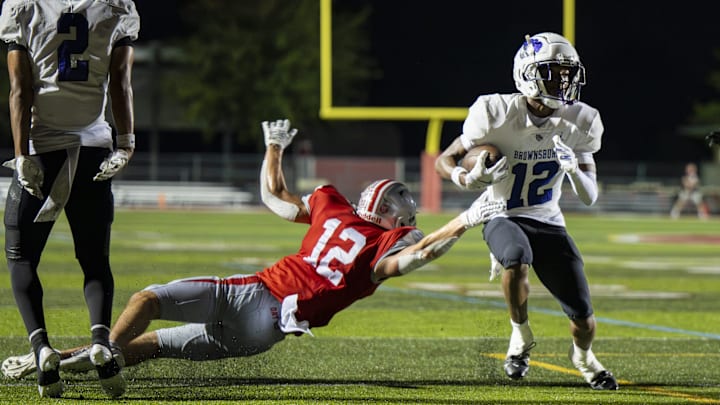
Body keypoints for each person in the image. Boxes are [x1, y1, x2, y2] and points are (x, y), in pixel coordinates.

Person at [1, 119, 506, 392]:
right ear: (394, 215)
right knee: (150, 347)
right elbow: (415, 256)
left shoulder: (332, 206)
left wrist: (272, 147)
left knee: (147, 299)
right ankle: (57, 364)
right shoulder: (382, 244)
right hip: (265, 335)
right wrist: (467, 219)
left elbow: (275, 197)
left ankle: (93, 352)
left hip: (257, 295)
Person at [434, 32, 618, 390]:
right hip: (501, 211)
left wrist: (573, 170)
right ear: (527, 73)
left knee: (583, 317)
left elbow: (590, 197)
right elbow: (446, 158)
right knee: (516, 258)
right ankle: (520, 337)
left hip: (548, 220)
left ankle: (583, 357)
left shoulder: (580, 120)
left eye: (567, 74)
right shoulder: (494, 113)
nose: (563, 82)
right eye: (553, 73)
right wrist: (467, 176)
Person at [0, 0, 140, 398]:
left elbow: (20, 88)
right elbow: (120, 79)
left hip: (44, 150)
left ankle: (42, 348)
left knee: (21, 258)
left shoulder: (23, 7)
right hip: (94, 148)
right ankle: (99, 342)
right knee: (95, 261)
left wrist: (23, 154)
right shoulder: (114, 6)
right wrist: (126, 144)